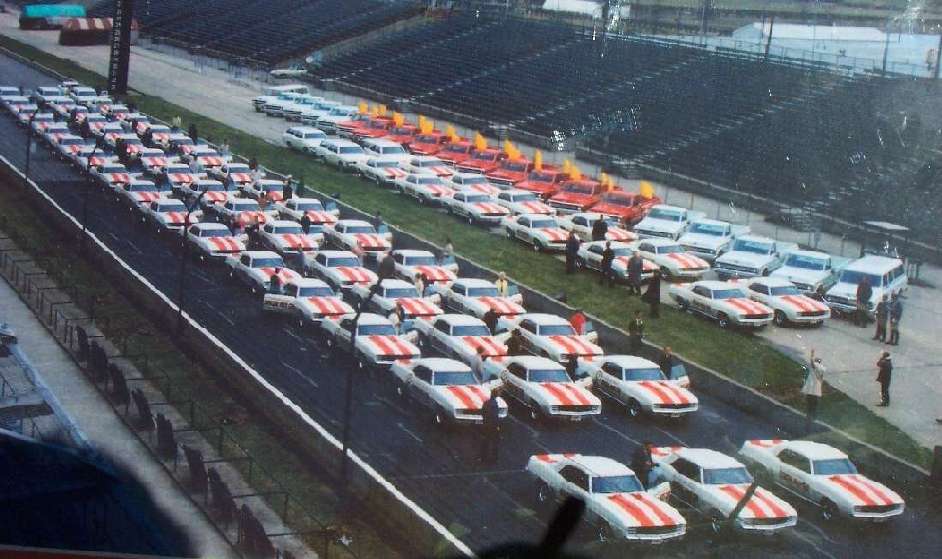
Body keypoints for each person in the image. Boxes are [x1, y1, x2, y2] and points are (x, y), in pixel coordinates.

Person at [802, 349, 825, 432]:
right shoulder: (821, 370)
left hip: (811, 391)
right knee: (813, 407)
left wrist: (812, 354)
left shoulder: (814, 369)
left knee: (809, 408)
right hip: (815, 392)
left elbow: (812, 363)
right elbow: (821, 380)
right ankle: (812, 420)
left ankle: (808, 424)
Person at [481, 386, 503, 465]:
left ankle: (483, 457)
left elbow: (483, 412)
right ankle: (494, 459)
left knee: (485, 442)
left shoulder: (486, 403)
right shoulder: (494, 404)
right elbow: (495, 417)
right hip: (492, 426)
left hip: (486, 425)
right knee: (495, 443)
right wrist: (497, 427)